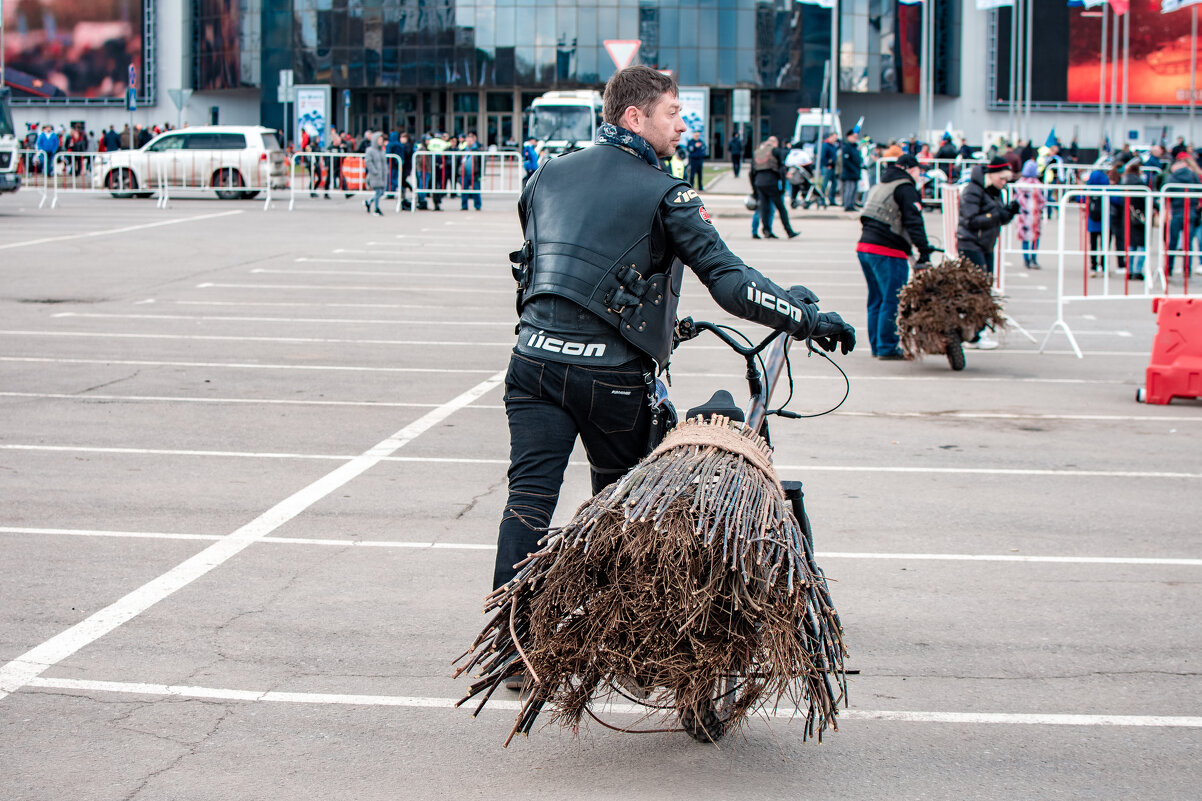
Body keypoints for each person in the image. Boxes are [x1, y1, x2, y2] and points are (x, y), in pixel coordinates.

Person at [495, 68, 855, 683]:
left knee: (527, 503)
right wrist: (806, 318)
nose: (682, 124)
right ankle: (629, 645)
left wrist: (660, 318)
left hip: (531, 363)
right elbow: (733, 284)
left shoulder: (546, 175)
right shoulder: (668, 193)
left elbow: (556, 269)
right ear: (633, 117)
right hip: (609, 381)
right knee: (626, 514)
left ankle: (513, 652)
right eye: (672, 112)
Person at [856, 154, 935, 360]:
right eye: (919, 171)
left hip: (865, 247)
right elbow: (914, 221)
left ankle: (877, 345)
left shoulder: (881, 184)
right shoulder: (905, 188)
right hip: (887, 250)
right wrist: (924, 250)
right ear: (910, 169)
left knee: (877, 298)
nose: (920, 176)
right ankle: (887, 346)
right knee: (892, 298)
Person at [956, 156, 1019, 349]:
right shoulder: (973, 191)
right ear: (992, 175)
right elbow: (971, 220)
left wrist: (1008, 213)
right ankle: (973, 335)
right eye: (1002, 178)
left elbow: (995, 219)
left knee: (983, 288)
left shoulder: (992, 192)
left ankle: (976, 331)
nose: (1004, 183)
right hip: (971, 244)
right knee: (977, 290)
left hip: (984, 246)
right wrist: (996, 215)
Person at [750, 135, 799, 239]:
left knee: (764, 208)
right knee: (781, 208)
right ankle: (788, 231)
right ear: (775, 143)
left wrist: (754, 189)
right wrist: (783, 186)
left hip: (759, 182)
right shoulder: (775, 151)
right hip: (771, 181)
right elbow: (782, 169)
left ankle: (766, 230)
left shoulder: (757, 152)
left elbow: (751, 172)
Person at [1163, 153, 1201, 278]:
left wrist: (1166, 211)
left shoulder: (1172, 177)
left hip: (1177, 211)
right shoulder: (1193, 175)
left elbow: (1167, 194)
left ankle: (1169, 268)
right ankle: (1187, 269)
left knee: (1172, 241)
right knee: (1188, 242)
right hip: (1190, 210)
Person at [1014, 160, 1046, 269]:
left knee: (1025, 238)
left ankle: (1026, 259)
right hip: (1035, 215)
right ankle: (1034, 259)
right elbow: (1042, 200)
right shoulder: (1037, 184)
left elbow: (1015, 199)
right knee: (1035, 238)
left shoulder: (1019, 184)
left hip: (1023, 215)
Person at [459, 131, 484, 210]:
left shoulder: (477, 150)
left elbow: (481, 163)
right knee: (464, 190)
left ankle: (477, 206)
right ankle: (464, 206)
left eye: (471, 140)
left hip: (474, 173)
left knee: (476, 190)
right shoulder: (463, 150)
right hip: (464, 174)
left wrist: (480, 173)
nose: (469, 142)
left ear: (473, 141)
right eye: (468, 140)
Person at [364, 134, 387, 215]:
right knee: (378, 191)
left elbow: (384, 163)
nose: (381, 141)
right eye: (379, 139)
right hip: (375, 174)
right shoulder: (370, 150)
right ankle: (376, 208)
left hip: (382, 174)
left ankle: (369, 201)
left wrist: (386, 171)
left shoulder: (382, 151)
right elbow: (368, 162)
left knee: (381, 192)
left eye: (381, 139)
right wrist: (374, 171)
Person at [841, 130, 863, 212]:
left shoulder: (855, 147)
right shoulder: (847, 147)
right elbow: (846, 161)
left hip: (855, 172)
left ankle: (852, 205)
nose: (855, 138)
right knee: (849, 189)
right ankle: (847, 205)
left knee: (854, 190)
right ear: (849, 137)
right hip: (849, 173)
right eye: (854, 137)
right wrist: (854, 170)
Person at [820, 132, 839, 205]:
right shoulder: (825, 145)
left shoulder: (833, 146)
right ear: (830, 137)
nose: (835, 139)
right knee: (824, 184)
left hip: (833, 168)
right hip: (827, 168)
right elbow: (822, 157)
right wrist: (827, 164)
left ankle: (832, 200)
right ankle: (821, 200)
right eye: (834, 138)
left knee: (834, 184)